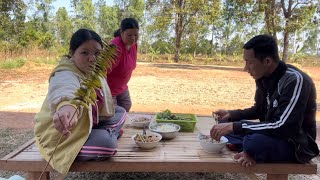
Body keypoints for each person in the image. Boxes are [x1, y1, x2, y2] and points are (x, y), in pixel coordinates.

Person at [210, 35, 319, 167]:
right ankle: (247, 149)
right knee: (224, 123)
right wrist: (232, 115)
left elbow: (283, 126)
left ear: (267, 61)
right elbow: (260, 109)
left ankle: (249, 149)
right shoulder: (263, 77)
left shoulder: (294, 80)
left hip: (295, 144)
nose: (246, 68)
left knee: (253, 141)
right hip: (272, 134)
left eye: (250, 62)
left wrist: (235, 126)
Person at [34, 28, 127, 175]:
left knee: (121, 111)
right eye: (84, 53)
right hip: (65, 137)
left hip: (87, 124)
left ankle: (105, 133)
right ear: (72, 53)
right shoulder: (65, 72)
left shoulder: (95, 74)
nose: (92, 58)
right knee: (108, 145)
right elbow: (64, 89)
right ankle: (107, 135)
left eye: (97, 53)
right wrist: (66, 108)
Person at [107, 17, 139, 112]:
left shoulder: (134, 45)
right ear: (122, 33)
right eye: (129, 35)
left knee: (126, 106)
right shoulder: (114, 48)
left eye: (136, 35)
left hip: (122, 86)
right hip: (109, 89)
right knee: (113, 114)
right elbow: (102, 72)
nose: (133, 38)